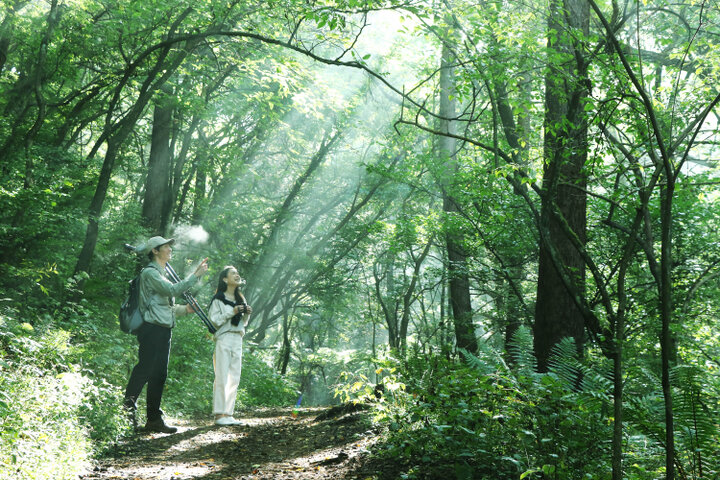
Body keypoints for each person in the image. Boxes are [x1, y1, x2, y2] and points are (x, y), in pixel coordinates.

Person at [123, 236, 209, 433]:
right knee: (144, 370)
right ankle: (127, 413)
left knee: (159, 374)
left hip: (163, 328)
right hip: (151, 328)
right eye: (166, 246)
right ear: (155, 251)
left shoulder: (160, 273)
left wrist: (185, 310)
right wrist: (195, 275)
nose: (170, 249)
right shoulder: (150, 273)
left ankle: (154, 419)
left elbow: (163, 306)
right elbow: (172, 290)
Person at [208, 266, 252, 426]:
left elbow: (243, 323)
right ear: (225, 279)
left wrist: (246, 313)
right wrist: (232, 312)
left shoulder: (241, 298)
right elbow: (214, 321)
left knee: (234, 376)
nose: (237, 275)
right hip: (224, 338)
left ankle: (228, 413)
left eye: (237, 273)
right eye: (233, 273)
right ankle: (219, 415)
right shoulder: (218, 299)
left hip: (237, 338)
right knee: (221, 375)